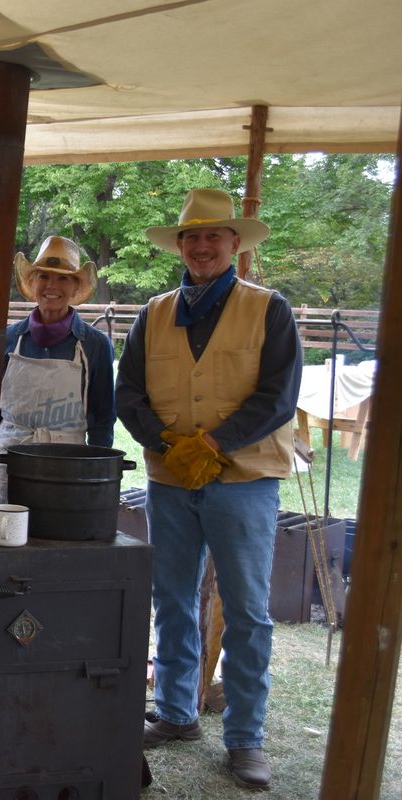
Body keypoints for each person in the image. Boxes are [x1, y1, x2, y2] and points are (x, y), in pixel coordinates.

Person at [116, 188, 302, 791]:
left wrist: (218, 443)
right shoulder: (154, 312)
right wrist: (166, 444)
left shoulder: (269, 308)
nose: (201, 246)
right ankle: (175, 713)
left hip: (245, 482)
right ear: (180, 245)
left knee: (246, 612)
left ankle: (246, 739)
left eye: (213, 236)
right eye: (191, 237)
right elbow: (131, 395)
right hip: (171, 481)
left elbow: (278, 394)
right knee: (171, 598)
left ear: (235, 244)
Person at [0, 235, 116, 502]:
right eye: (44, 277)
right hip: (8, 458)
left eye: (63, 278)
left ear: (75, 287)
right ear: (33, 283)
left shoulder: (95, 345)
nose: (52, 285)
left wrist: (96, 476)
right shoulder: (9, 339)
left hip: (68, 463)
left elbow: (103, 418)